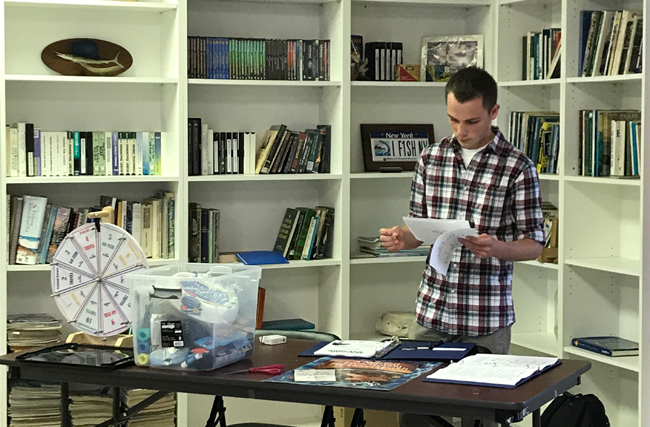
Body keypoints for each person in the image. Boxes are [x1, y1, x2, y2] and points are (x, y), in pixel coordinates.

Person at [380, 66, 545, 427]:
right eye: (453, 120)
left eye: (471, 121)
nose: (461, 131)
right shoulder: (430, 159)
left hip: (485, 319)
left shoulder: (518, 167)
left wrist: (497, 248)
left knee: (482, 418)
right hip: (432, 312)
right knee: (417, 417)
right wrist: (401, 238)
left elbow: (534, 244)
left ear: (493, 112)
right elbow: (419, 230)